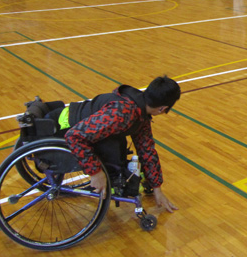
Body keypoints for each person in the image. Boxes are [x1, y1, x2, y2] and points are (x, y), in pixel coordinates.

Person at [43, 76, 181, 212]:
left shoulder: (139, 110)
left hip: (71, 123)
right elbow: (75, 137)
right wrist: (96, 173)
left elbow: (147, 150)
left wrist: (157, 188)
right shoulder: (121, 113)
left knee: (116, 145)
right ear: (162, 108)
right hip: (58, 128)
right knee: (112, 149)